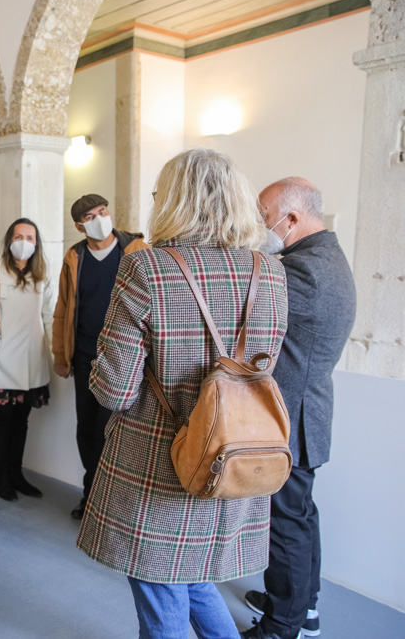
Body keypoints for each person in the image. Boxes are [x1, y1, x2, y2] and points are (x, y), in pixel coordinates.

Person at [77, 149, 288, 639]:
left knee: (160, 589)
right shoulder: (271, 272)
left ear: (172, 201)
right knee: (189, 578)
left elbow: (115, 389)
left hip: (157, 464)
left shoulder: (146, 268)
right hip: (234, 455)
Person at [240, 178, 356, 639]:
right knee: (300, 515)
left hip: (293, 418)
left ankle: (283, 624)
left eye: (264, 215)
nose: (260, 225)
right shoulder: (323, 258)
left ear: (292, 219)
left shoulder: (304, 270)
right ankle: (301, 605)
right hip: (305, 412)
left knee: (285, 523)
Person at [53, 193, 149, 520]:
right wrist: (60, 355)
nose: (99, 218)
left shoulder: (136, 251)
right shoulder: (75, 257)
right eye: (91, 216)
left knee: (114, 429)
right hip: (84, 355)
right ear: (80, 226)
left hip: (123, 357)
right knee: (88, 429)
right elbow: (63, 310)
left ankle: (114, 502)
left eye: (102, 211)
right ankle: (91, 494)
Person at [0, 218, 56, 501]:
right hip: (0, 359)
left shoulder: (43, 272)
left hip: (32, 360)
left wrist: (58, 353)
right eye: (19, 236)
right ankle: (1, 475)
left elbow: (50, 316)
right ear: (8, 240)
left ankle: (17, 474)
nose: (24, 242)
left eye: (30, 237)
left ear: (37, 243)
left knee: (21, 421)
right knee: (2, 418)